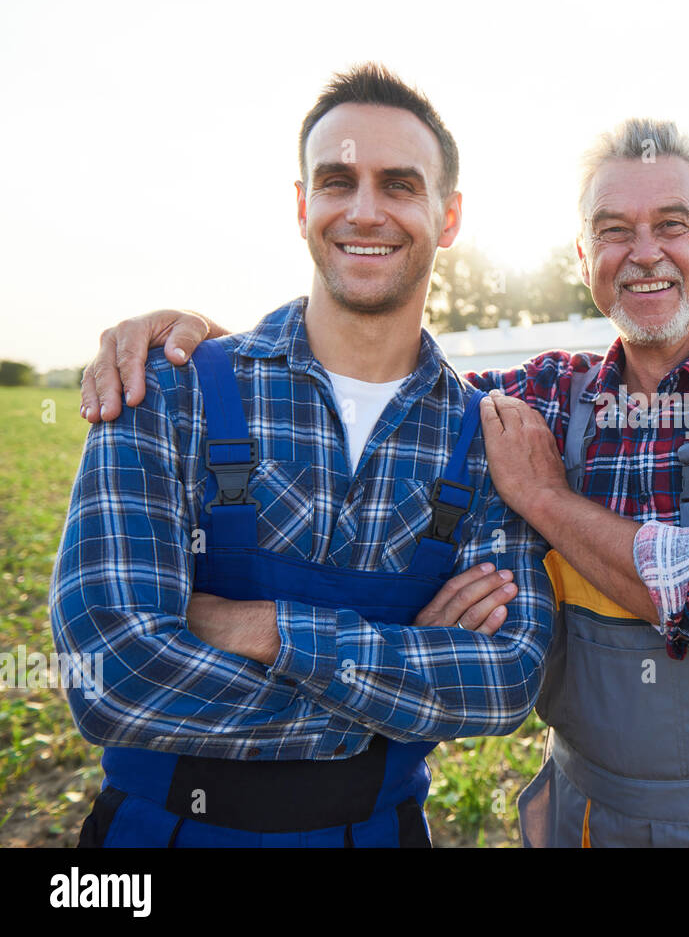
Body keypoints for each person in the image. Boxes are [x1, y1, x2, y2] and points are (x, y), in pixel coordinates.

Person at [81, 120, 689, 848]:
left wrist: (547, 500)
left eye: (672, 225)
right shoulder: (543, 400)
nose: (644, 252)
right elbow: (379, 368)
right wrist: (223, 356)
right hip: (583, 817)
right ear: (581, 257)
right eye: (612, 231)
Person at [51, 63, 553, 848]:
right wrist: (387, 701)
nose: (363, 211)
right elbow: (111, 672)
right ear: (300, 205)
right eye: (336, 181)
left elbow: (502, 682)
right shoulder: (165, 389)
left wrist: (260, 628)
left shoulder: (488, 441)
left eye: (397, 184)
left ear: (448, 216)